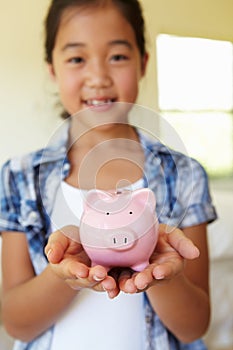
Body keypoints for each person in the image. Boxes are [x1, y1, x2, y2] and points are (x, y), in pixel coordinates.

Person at [0, 0, 217, 349]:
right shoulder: (19, 176)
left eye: (117, 56)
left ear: (143, 62)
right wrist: (66, 274)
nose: (98, 77)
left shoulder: (184, 175)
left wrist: (160, 275)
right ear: (52, 70)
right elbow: (16, 323)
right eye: (76, 58)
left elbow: (194, 327)